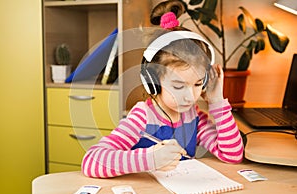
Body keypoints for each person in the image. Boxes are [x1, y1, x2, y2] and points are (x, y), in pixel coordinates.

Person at [82, 0, 244, 178]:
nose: (190, 96)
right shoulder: (142, 116)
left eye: (198, 84)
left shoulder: (193, 116)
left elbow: (232, 155)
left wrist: (217, 102)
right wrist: (150, 159)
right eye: (178, 86)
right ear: (152, 80)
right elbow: (92, 161)